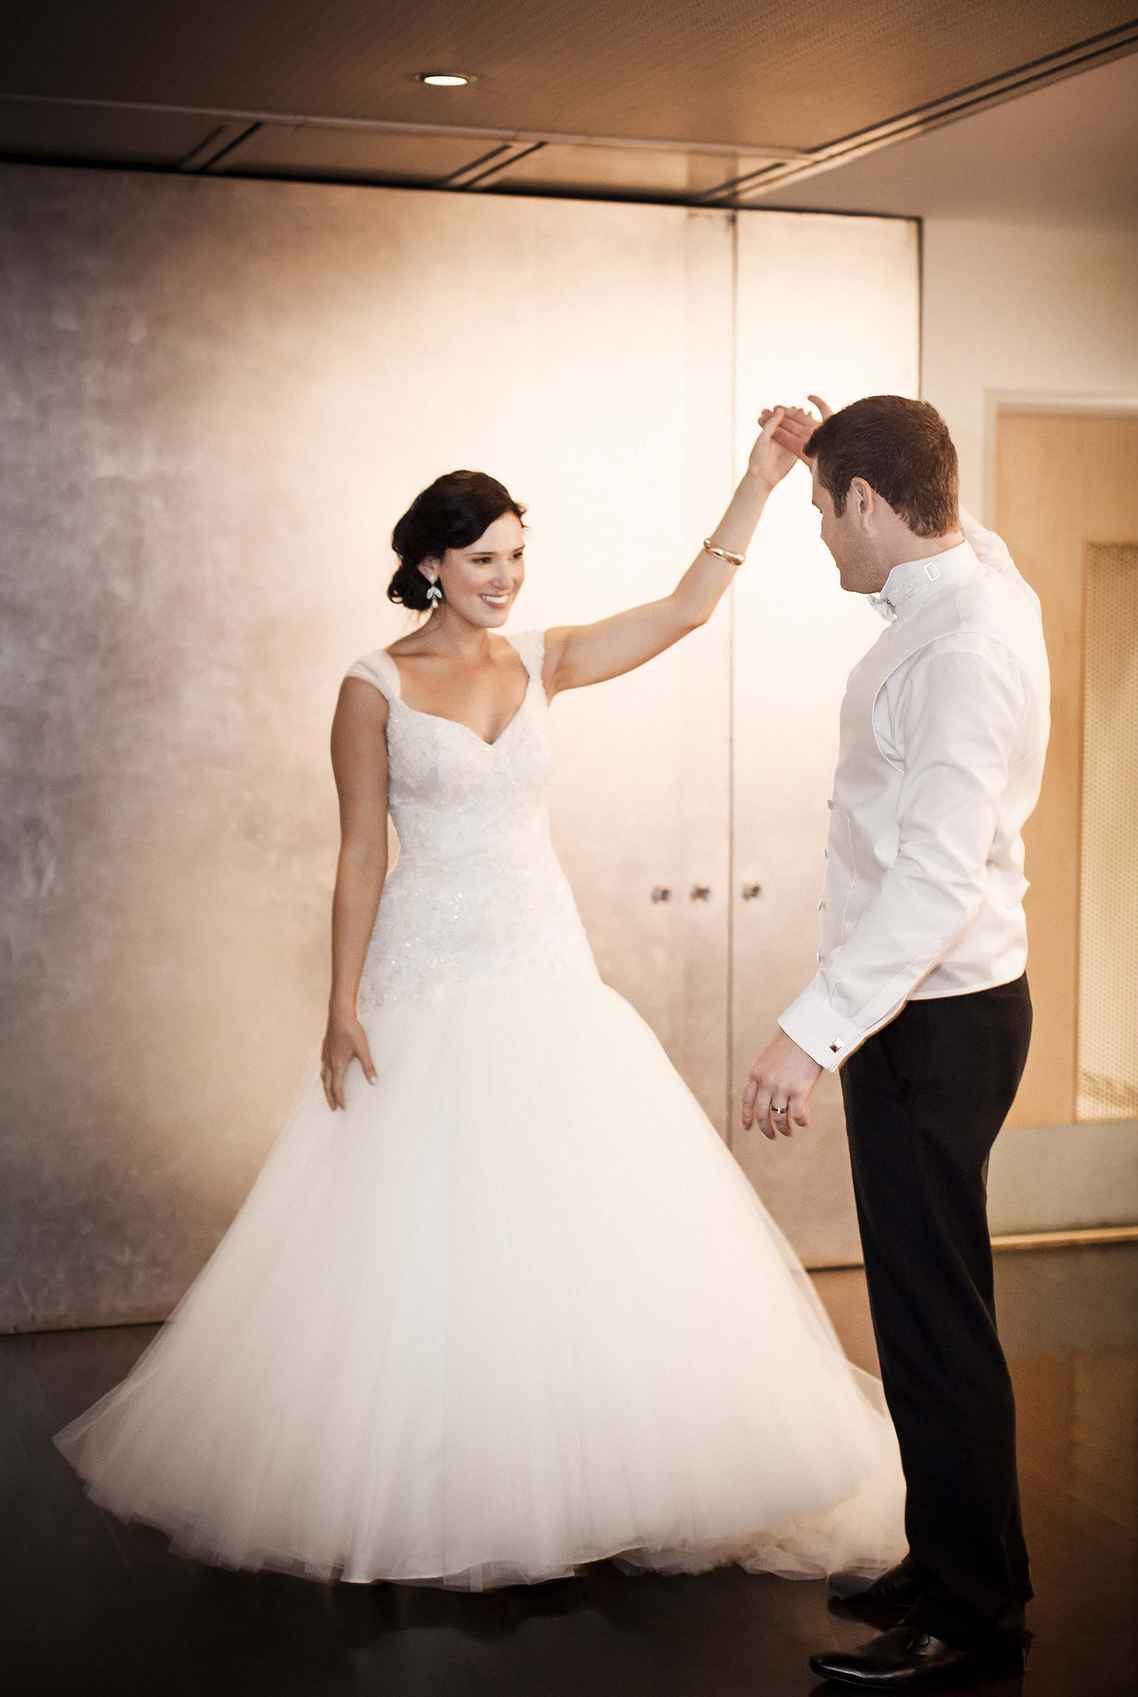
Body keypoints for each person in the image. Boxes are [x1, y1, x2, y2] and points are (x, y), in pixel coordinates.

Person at [53, 410, 907, 1592]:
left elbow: (682, 611)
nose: (505, 580)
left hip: (545, 959)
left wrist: (758, 482)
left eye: (516, 556)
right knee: (423, 1222)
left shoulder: (543, 656)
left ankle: (598, 1464)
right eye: (482, 560)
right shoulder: (373, 685)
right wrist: (340, 1002)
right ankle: (446, 1472)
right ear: (428, 567)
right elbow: (361, 853)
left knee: (577, 1201)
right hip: (428, 966)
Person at [742, 397, 1049, 1688]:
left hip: (935, 1019)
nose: (820, 534)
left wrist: (805, 1036)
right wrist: (835, 436)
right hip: (931, 1016)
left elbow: (929, 886)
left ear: (869, 504)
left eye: (823, 507)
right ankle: (953, 1560)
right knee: (927, 1308)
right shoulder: (982, 577)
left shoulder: (965, 644)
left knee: (935, 1321)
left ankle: (971, 1611)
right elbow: (968, 534)